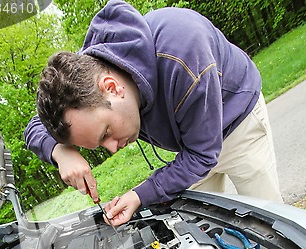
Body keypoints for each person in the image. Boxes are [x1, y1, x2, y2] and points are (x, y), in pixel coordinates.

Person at [24, 0, 282, 226]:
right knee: (204, 230)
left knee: (269, 226)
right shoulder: (86, 75)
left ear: (112, 88)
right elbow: (34, 127)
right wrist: (61, 152)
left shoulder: (184, 55)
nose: (113, 149)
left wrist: (140, 194)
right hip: (188, 148)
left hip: (238, 125)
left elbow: (202, 156)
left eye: (106, 133)